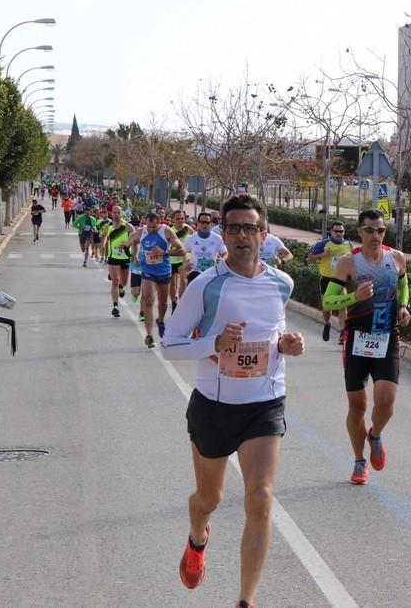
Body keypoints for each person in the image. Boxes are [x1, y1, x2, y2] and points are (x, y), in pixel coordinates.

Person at [162, 194, 305, 608]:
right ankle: (197, 537)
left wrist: (287, 344)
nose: (243, 235)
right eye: (235, 227)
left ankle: (245, 601)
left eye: (251, 228)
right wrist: (215, 344)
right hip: (214, 406)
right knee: (210, 500)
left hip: (264, 403)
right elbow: (171, 346)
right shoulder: (205, 285)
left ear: (264, 234)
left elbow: (273, 334)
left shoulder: (282, 282)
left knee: (260, 498)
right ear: (224, 233)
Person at [323, 209, 411, 484]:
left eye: (381, 230)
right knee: (358, 405)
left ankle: (374, 435)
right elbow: (328, 302)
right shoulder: (349, 263)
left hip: (387, 337)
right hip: (357, 341)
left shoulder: (396, 258)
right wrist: (353, 298)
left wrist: (405, 306)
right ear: (359, 232)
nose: (376, 235)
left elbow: (404, 285)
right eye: (370, 230)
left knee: (386, 400)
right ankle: (359, 462)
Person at [130, 212, 186, 348]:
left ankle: (160, 321)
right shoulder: (141, 232)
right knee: (149, 300)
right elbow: (135, 242)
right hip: (148, 270)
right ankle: (149, 335)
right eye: (148, 227)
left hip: (164, 271)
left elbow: (181, 250)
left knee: (162, 303)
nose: (151, 230)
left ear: (160, 223)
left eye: (154, 227)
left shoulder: (167, 232)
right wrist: (136, 256)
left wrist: (164, 252)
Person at [308, 222, 353, 342]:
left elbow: (354, 261)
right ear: (331, 232)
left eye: (341, 231)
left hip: (340, 279)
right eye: (336, 231)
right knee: (327, 308)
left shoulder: (349, 245)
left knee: (343, 305)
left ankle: (343, 333)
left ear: (344, 232)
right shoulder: (324, 244)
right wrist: (323, 254)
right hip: (326, 279)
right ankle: (327, 323)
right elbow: (310, 258)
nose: (339, 233)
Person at [102, 206, 133, 318]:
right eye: (114, 212)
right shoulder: (108, 226)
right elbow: (104, 236)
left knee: (123, 282)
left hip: (125, 257)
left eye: (118, 213)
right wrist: (103, 244)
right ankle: (115, 306)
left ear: (122, 214)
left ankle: (121, 287)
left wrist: (127, 244)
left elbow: (135, 239)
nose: (116, 215)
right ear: (112, 214)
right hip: (113, 257)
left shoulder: (128, 226)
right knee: (115, 280)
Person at [183, 211, 228, 286]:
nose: (205, 224)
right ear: (198, 223)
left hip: (211, 272)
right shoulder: (190, 238)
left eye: (207, 222)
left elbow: (225, 253)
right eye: (202, 222)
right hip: (195, 271)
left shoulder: (217, 238)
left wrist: (222, 260)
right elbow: (182, 252)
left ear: (210, 224)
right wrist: (185, 263)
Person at [168, 209, 194, 314]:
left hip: (184, 259)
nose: (180, 220)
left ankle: (181, 305)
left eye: (182, 218)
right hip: (171, 259)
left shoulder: (189, 229)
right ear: (173, 220)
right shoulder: (170, 231)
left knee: (183, 282)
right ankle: (174, 302)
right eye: (177, 219)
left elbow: (194, 241)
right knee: (172, 284)